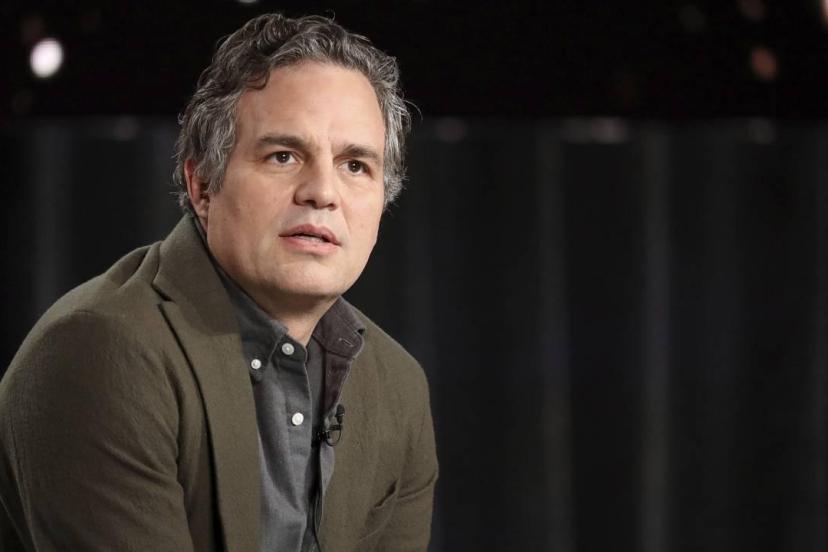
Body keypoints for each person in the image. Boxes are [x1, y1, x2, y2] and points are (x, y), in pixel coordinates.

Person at [0, 13, 438, 552]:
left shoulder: (398, 388)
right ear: (203, 184)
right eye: (283, 156)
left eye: (355, 166)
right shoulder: (101, 350)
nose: (323, 192)